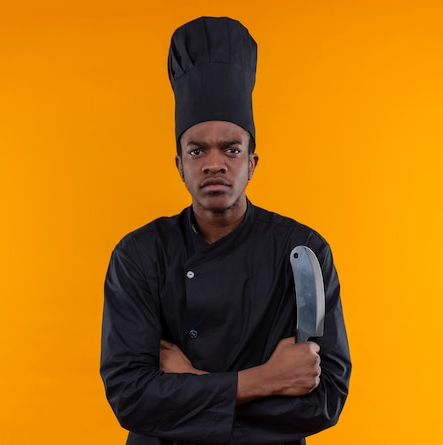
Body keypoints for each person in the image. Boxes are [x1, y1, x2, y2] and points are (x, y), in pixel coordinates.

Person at [100, 16, 351, 445]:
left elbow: (324, 399)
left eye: (231, 149)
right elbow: (131, 397)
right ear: (180, 164)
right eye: (197, 149)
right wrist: (265, 379)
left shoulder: (304, 251)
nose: (214, 163)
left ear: (252, 162)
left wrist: (190, 384)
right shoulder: (139, 255)